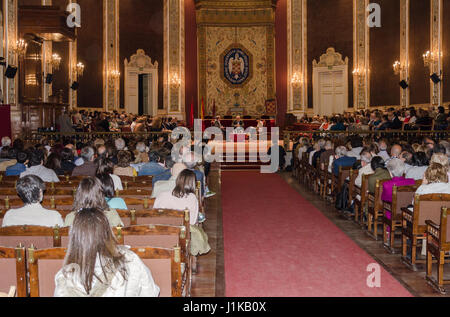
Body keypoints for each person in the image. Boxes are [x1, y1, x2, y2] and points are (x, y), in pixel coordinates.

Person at [54, 208, 160, 297]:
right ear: (107, 232)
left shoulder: (64, 277)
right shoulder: (130, 259)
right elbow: (151, 292)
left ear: (74, 238)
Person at [153, 169, 210, 256]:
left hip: (161, 232)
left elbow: (154, 215)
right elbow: (192, 222)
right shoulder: (192, 198)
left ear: (177, 180)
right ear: (193, 184)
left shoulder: (162, 195)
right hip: (181, 234)